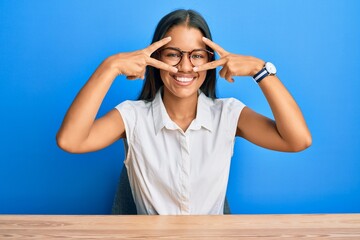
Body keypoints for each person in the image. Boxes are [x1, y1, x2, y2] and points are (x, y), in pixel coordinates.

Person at [56, 9, 312, 215]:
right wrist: (109, 66)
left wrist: (260, 69)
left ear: (210, 60)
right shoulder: (132, 117)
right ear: (155, 59)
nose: (185, 67)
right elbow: (70, 140)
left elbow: (298, 140)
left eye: (197, 56)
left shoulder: (229, 114)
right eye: (173, 54)